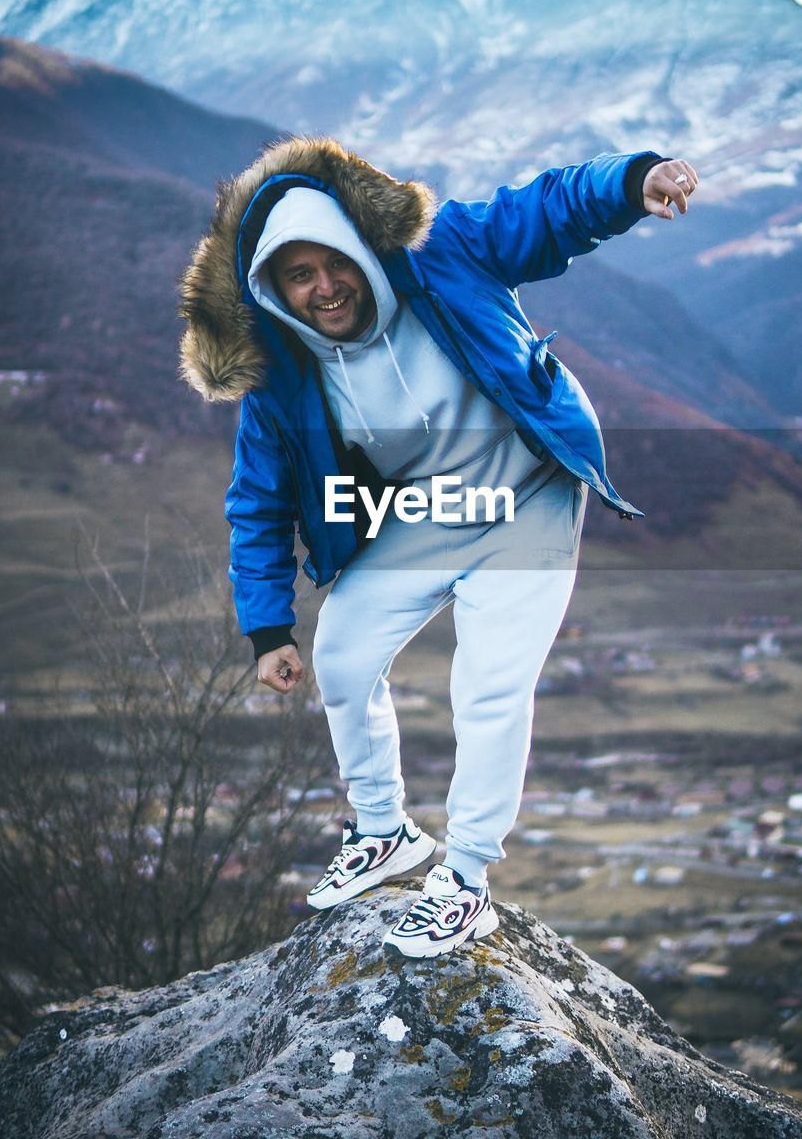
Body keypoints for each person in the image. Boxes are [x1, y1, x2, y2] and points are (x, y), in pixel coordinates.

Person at [178, 135, 698, 958]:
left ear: (357, 246)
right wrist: (268, 629)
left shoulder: (441, 252)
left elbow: (545, 210)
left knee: (489, 685)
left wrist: (635, 181)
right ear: (272, 289)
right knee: (343, 656)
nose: (324, 288)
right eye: (298, 276)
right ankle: (384, 831)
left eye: (332, 263)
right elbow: (259, 501)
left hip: (529, 492)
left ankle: (464, 881)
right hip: (431, 510)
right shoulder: (281, 375)